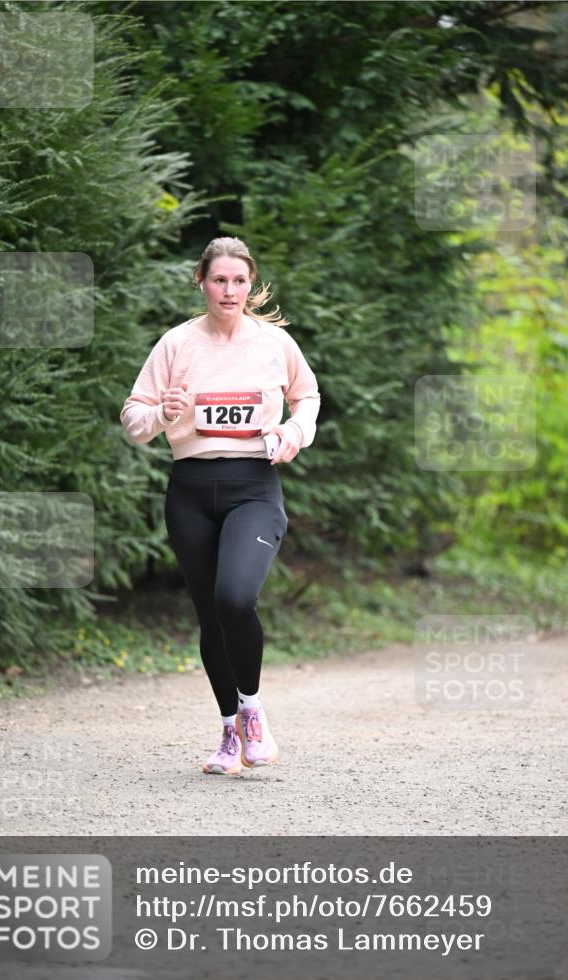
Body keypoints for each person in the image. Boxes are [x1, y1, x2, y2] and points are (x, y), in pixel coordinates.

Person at [120, 236, 321, 776]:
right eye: (218, 280)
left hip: (254, 486)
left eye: (238, 280)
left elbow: (308, 396)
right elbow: (134, 420)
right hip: (189, 490)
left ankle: (252, 712)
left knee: (235, 598)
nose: (228, 290)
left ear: (250, 283)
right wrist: (162, 412)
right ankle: (229, 732)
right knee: (210, 615)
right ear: (201, 282)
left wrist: (295, 430)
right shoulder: (176, 344)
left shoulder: (274, 343)